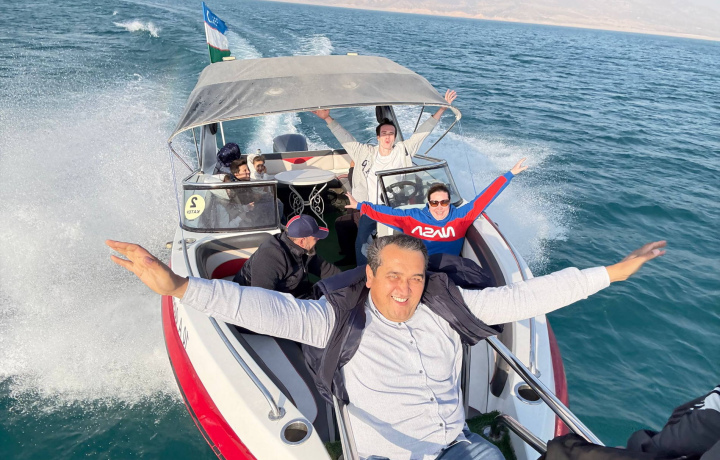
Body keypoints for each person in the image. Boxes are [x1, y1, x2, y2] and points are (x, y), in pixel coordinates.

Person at [107, 232, 665, 460]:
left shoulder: (447, 310)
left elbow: (525, 297)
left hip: (460, 448)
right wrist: (179, 286)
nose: (405, 288)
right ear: (370, 277)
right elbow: (261, 308)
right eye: (393, 276)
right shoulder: (335, 321)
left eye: (415, 278)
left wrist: (611, 273)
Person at [313, 89, 457, 264]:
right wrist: (327, 118)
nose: (387, 137)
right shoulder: (364, 152)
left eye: (391, 133)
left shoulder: (402, 151)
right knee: (361, 243)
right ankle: (362, 272)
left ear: (395, 137)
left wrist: (441, 109)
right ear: (378, 137)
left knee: (394, 244)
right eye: (384, 133)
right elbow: (345, 138)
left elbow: (421, 134)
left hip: (394, 209)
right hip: (370, 208)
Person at [346, 158, 528, 256]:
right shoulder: (413, 217)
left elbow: (484, 198)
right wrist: (360, 205)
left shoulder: (460, 217)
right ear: (428, 203)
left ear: (449, 202)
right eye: (434, 202)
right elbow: (387, 212)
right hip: (421, 269)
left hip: (450, 269)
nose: (439, 207)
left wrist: (510, 174)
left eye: (444, 202)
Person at [230, 214, 340, 299]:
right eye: (315, 237)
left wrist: (346, 281)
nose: (318, 239)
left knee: (324, 291)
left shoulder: (304, 249)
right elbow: (262, 299)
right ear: (302, 241)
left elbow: (325, 268)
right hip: (255, 298)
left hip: (289, 288)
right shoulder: (270, 257)